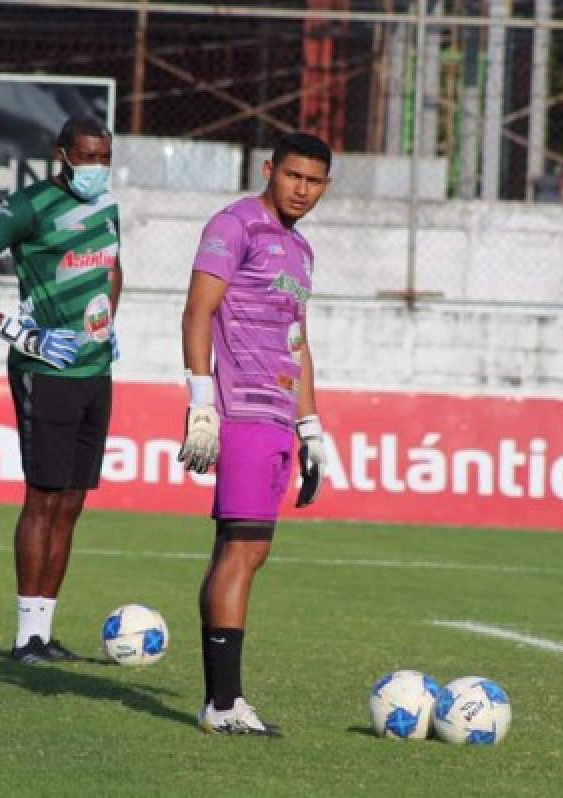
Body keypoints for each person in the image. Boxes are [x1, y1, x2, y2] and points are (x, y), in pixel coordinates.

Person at [0, 114, 122, 664]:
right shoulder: (28, 206)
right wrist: (14, 330)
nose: (95, 168)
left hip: (94, 370)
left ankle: (44, 631)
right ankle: (25, 638)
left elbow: (113, 267)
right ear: (61, 154)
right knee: (43, 498)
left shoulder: (107, 205)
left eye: (104, 157)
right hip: (45, 371)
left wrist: (107, 322)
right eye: (85, 156)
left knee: (72, 501)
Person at [177, 131, 332, 736]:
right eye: (292, 175)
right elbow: (197, 309)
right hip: (239, 410)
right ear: (269, 170)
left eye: (313, 181)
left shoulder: (303, 252)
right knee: (243, 550)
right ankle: (222, 704)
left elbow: (299, 341)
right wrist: (200, 404)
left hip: (276, 415)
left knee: (243, 552)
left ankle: (221, 699)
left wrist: (311, 428)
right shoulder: (234, 224)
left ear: (326, 186)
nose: (301, 189)